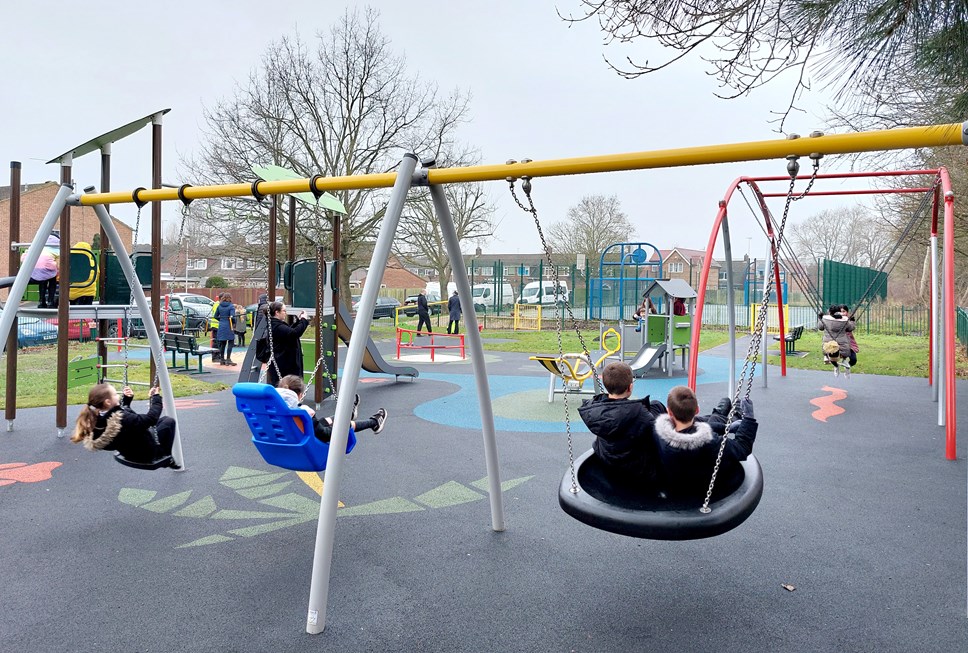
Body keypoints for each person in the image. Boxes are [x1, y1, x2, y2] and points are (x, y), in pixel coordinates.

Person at [652, 386, 757, 500]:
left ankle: (721, 415)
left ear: (669, 412)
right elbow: (742, 448)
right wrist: (748, 419)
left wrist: (726, 428)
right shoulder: (710, 442)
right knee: (713, 418)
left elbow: (690, 431)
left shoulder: (656, 431)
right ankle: (726, 415)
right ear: (697, 410)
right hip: (700, 489)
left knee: (708, 420)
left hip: (672, 486)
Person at [577, 362, 661, 488]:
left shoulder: (594, 410)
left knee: (655, 406)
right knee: (658, 407)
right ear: (630, 387)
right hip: (639, 472)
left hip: (607, 462)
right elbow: (656, 432)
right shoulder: (641, 414)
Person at [70, 383, 179, 468]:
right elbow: (151, 419)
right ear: (108, 402)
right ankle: (165, 456)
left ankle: (163, 455)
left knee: (159, 423)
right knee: (168, 421)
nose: (118, 395)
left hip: (128, 451)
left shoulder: (96, 418)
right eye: (115, 394)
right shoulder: (123, 419)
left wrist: (126, 400)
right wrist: (155, 398)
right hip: (146, 452)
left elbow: (121, 416)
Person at [276, 375, 387, 442]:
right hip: (311, 443)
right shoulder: (304, 412)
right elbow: (323, 434)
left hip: (287, 439)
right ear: (300, 395)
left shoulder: (273, 409)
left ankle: (350, 414)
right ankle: (373, 422)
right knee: (343, 424)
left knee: (324, 421)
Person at [266, 301, 310, 386]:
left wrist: (299, 321)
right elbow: (294, 333)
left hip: (284, 361)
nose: (285, 313)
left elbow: (289, 332)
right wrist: (304, 320)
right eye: (284, 311)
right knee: (287, 384)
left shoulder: (276, 324)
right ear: (277, 312)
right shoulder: (277, 326)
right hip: (284, 362)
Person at [23, 233, 60, 308]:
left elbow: (24, 256)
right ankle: (50, 301)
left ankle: (41, 301)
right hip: (49, 267)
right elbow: (59, 259)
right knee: (52, 281)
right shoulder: (55, 247)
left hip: (35, 268)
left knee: (42, 281)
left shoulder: (39, 244)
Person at [818, 304, 854, 378]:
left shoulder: (825, 319)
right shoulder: (844, 320)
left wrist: (820, 318)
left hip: (829, 345)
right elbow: (850, 328)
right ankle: (844, 360)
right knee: (843, 354)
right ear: (839, 312)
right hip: (843, 345)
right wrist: (852, 321)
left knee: (831, 353)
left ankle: (828, 358)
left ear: (830, 312)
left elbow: (820, 327)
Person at [68, 240, 97, 306]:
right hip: (89, 293)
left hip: (73, 293)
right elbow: (96, 276)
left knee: (73, 313)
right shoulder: (93, 263)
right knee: (86, 313)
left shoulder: (71, 263)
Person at [214, 292, 237, 366]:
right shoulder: (231, 306)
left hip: (221, 325)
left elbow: (215, 316)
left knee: (222, 343)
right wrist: (234, 323)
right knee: (230, 342)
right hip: (229, 326)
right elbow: (232, 316)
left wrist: (221, 320)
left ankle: (222, 359)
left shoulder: (219, 306)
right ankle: (228, 359)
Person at [841, 304, 859, 369]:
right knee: (834, 357)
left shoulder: (849, 320)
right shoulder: (836, 321)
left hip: (849, 343)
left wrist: (852, 321)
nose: (842, 313)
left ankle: (847, 367)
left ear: (847, 312)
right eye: (841, 312)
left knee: (854, 360)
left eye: (844, 311)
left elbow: (852, 327)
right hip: (840, 343)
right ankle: (836, 366)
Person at [208, 293, 223, 362]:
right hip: (216, 325)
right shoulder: (218, 304)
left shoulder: (216, 304)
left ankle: (217, 356)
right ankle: (215, 357)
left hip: (215, 325)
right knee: (216, 342)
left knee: (217, 341)